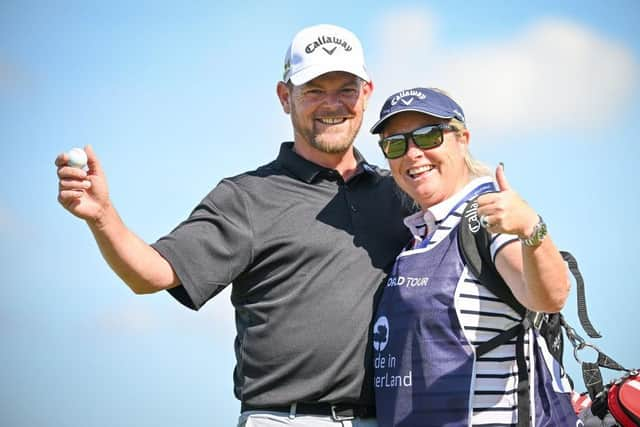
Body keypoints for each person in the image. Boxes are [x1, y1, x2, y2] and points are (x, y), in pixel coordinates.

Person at [55, 24, 412, 426]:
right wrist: (103, 216)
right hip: (284, 418)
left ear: (366, 93)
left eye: (346, 89)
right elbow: (151, 274)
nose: (332, 104)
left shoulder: (400, 194)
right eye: (314, 90)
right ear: (285, 97)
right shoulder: (247, 197)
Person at [369, 87, 580, 426]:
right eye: (395, 143)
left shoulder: (485, 217)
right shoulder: (419, 234)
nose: (412, 154)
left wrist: (532, 230)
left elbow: (551, 297)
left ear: (462, 138)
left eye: (428, 136)